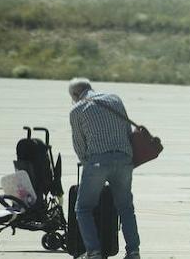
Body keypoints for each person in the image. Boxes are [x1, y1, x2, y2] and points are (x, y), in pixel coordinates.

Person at [67, 77, 141, 259]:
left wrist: (87, 165)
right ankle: (133, 251)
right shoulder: (114, 99)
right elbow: (127, 132)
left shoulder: (77, 109)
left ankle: (94, 252)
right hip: (124, 159)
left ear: (75, 95)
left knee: (83, 208)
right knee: (125, 207)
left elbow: (79, 145)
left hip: (98, 162)